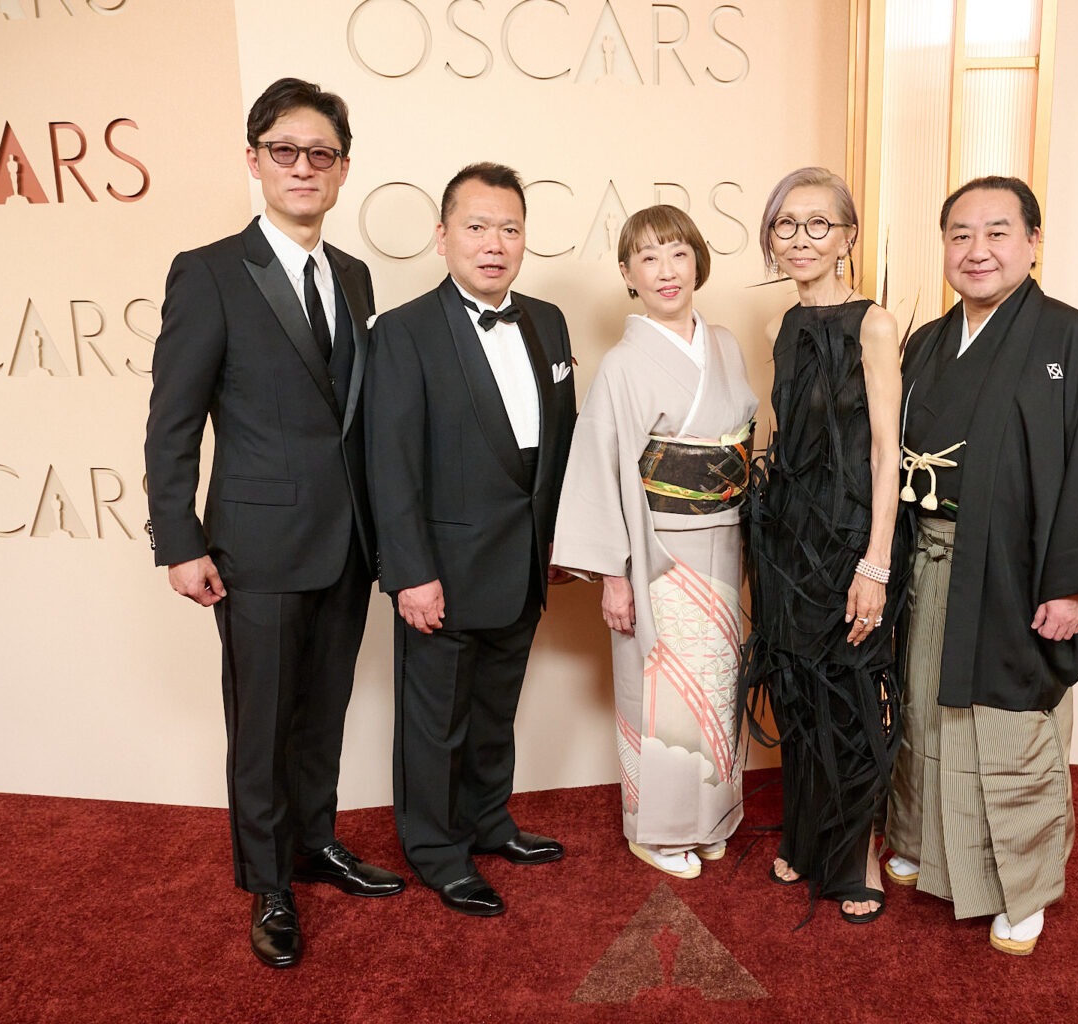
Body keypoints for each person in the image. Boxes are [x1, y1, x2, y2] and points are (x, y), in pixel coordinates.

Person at [143, 78, 404, 970]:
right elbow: (172, 420)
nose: (304, 167)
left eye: (321, 154)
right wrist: (177, 540)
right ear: (254, 160)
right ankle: (267, 883)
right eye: (285, 151)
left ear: (342, 169)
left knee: (320, 711)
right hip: (253, 545)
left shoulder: (356, 276)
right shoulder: (209, 271)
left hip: (346, 544)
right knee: (260, 723)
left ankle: (314, 842)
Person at [884, 176, 1078, 955]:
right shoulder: (925, 340)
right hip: (929, 560)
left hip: (1018, 572)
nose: (977, 250)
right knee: (924, 707)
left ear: (1032, 240)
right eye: (960, 234)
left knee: (1008, 725)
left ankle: (1020, 889)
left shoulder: (1070, 338)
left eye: (996, 232)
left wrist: (1073, 584)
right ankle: (924, 844)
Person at [367, 162, 577, 917]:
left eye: (510, 229)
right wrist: (409, 574)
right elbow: (388, 464)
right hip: (443, 571)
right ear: (443, 235)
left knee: (494, 710)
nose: (495, 244)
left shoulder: (548, 321)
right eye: (477, 226)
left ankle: (489, 822)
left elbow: (561, 442)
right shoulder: (402, 331)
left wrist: (558, 542)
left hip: (523, 561)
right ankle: (435, 850)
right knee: (435, 724)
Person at [552, 205, 758, 880]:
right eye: (648, 257)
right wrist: (614, 574)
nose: (666, 271)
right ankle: (658, 829)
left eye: (677, 253)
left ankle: (713, 816)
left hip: (724, 541)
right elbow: (603, 467)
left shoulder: (723, 343)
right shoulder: (622, 363)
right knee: (662, 690)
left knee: (718, 684)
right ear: (627, 274)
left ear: (697, 259)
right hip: (657, 549)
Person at [743, 168, 904, 923]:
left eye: (818, 224)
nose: (801, 238)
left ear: (847, 237)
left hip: (847, 541)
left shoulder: (873, 323)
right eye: (786, 224)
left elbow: (884, 452)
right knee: (801, 693)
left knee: (849, 696)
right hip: (786, 541)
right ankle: (809, 840)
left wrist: (875, 562)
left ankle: (856, 854)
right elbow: (780, 439)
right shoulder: (783, 325)